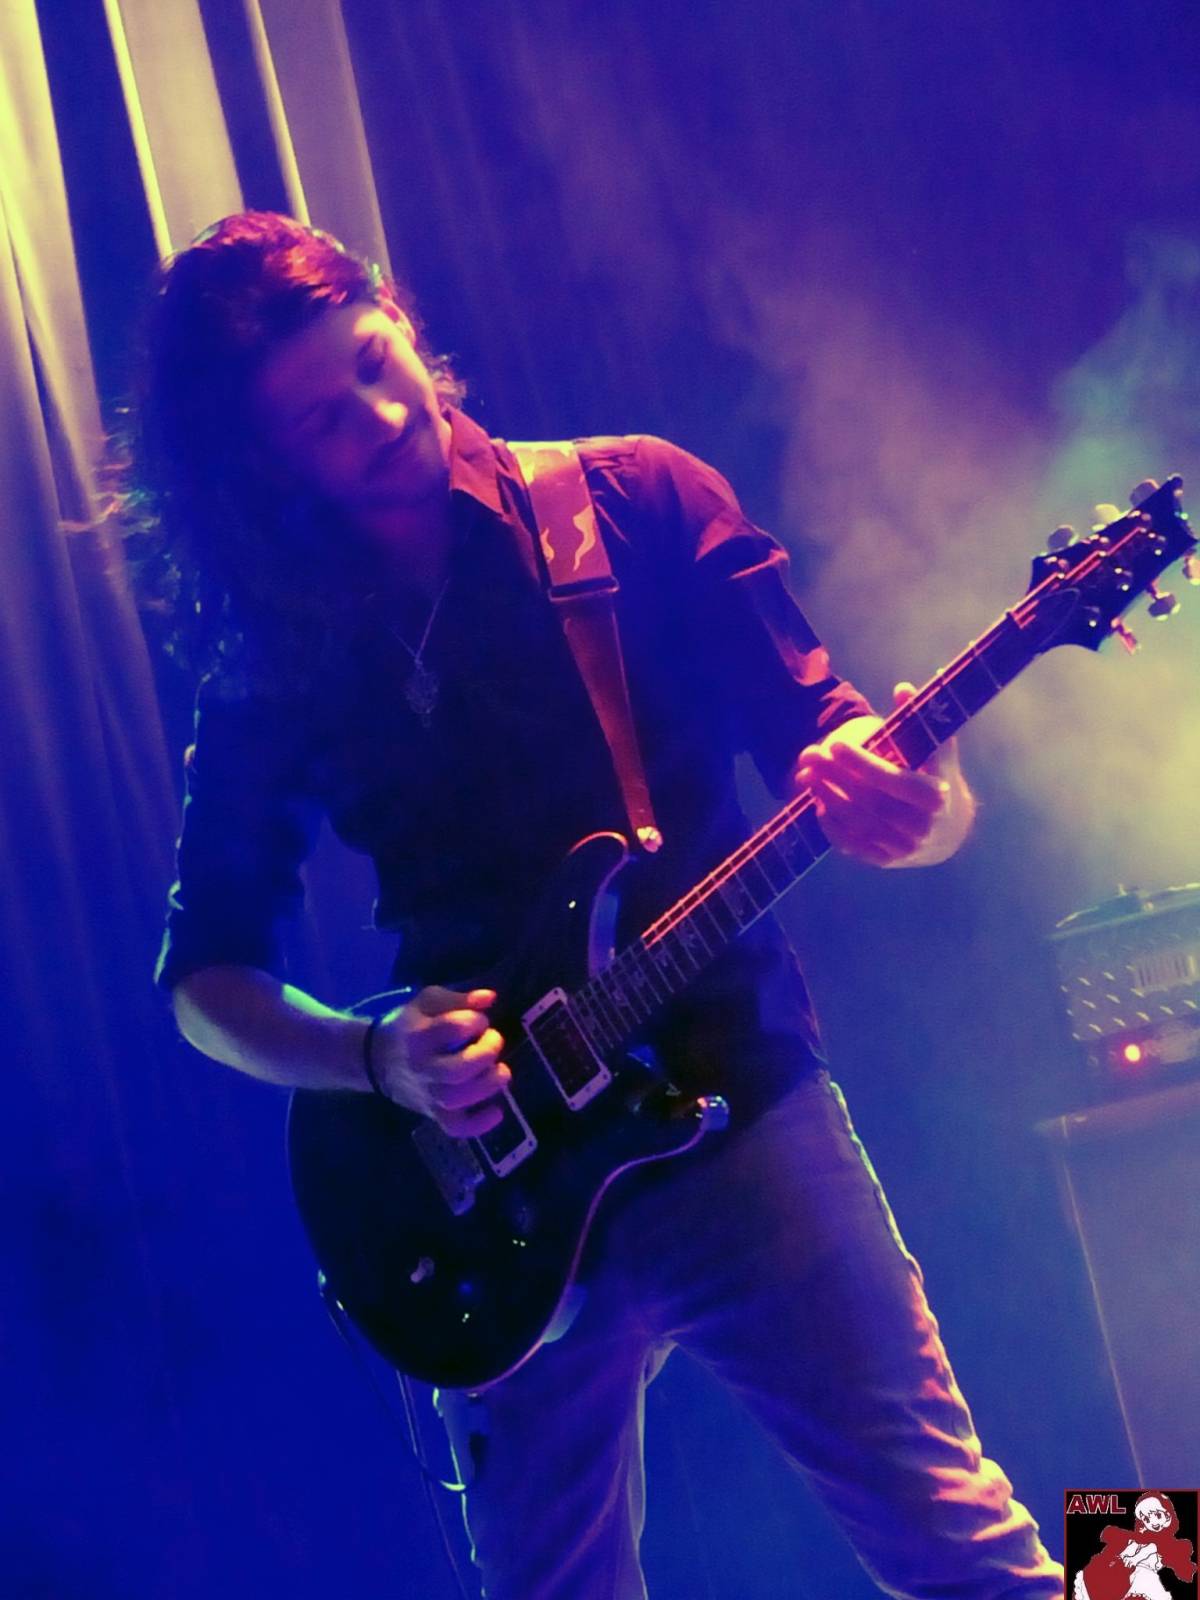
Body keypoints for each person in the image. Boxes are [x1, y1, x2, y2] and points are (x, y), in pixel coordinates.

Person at [133, 211, 1064, 1599]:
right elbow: (204, 983)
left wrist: (920, 807)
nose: (380, 416)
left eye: (375, 361)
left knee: (965, 1544)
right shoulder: (273, 655)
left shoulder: (636, 498)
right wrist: (374, 1055)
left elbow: (873, 770)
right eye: (323, 420)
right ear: (265, 467)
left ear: (398, 313)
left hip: (737, 1105)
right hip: (483, 1194)